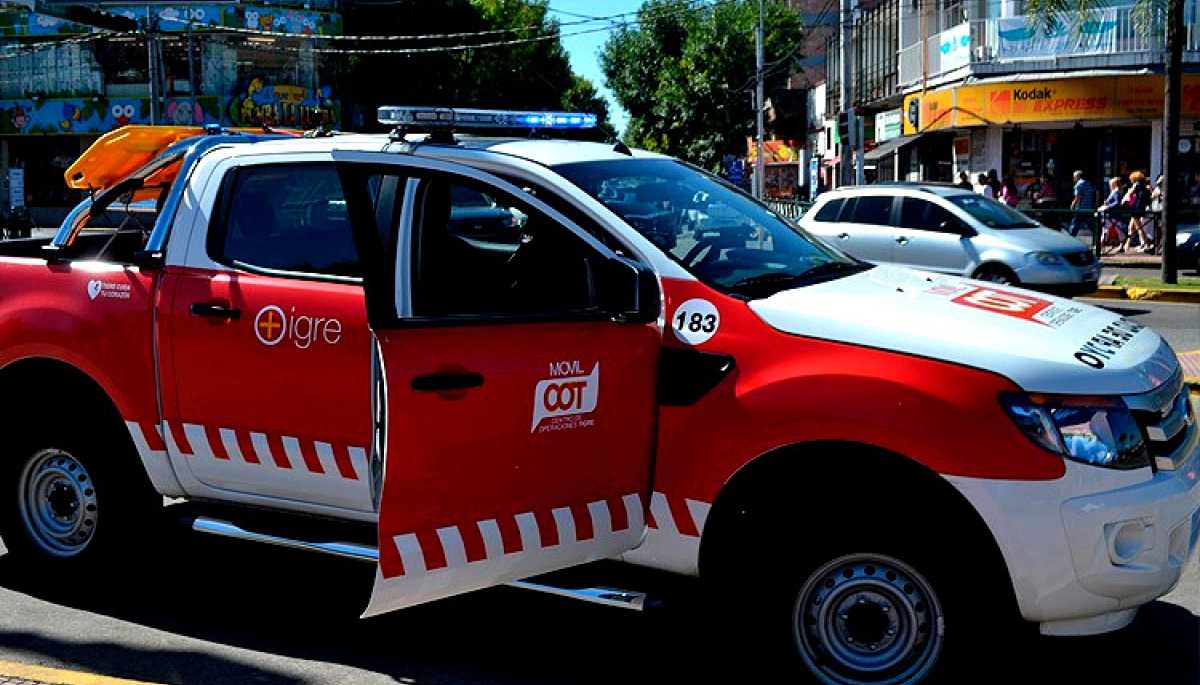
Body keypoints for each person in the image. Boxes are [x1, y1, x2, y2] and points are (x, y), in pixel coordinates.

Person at [1120, 170, 1151, 252]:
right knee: (1131, 227)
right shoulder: (1144, 186)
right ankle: (1127, 245)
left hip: (1136, 208)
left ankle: (1146, 244)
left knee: (1138, 227)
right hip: (1142, 207)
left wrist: (1129, 192)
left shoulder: (1136, 185)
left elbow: (1130, 193)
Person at [1096, 176, 1126, 253]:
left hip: (1111, 214)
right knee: (1119, 230)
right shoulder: (1118, 192)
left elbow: (1117, 202)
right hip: (1115, 215)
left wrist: (1108, 206)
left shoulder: (1115, 192)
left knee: (1106, 230)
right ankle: (1121, 245)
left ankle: (1100, 246)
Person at [1068, 170, 1096, 237]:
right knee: (1090, 223)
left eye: (1074, 177)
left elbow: (1078, 196)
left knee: (1075, 223)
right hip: (1088, 207)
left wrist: (1072, 204)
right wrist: (1096, 203)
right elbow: (1096, 192)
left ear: (1078, 176)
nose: (1073, 178)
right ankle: (1098, 235)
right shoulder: (1088, 183)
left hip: (1080, 208)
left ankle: (1071, 238)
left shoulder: (1078, 185)